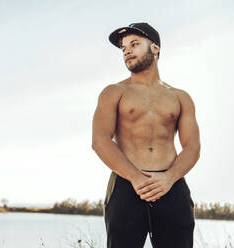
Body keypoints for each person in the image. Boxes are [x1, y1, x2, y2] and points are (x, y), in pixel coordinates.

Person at [91, 22, 201, 248]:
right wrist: (136, 178)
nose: (127, 51)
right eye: (123, 48)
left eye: (134, 44)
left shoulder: (180, 97)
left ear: (155, 48)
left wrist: (168, 179)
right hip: (127, 185)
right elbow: (100, 140)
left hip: (171, 187)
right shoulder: (114, 92)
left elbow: (192, 147)